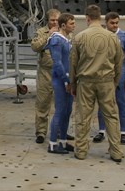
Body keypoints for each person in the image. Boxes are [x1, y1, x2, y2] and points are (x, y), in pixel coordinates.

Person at [69, 5, 124, 162]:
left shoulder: (79, 37)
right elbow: (119, 62)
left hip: (85, 83)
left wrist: (73, 84)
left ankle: (80, 151)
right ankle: (116, 152)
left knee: (83, 117)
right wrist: (114, 81)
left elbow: (73, 63)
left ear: (87, 18)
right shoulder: (112, 37)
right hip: (106, 82)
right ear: (100, 18)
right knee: (111, 117)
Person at [93, 12, 125, 145]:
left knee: (121, 103)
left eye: (117, 23)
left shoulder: (124, 36)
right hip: (104, 75)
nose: (115, 25)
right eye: (112, 23)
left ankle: (123, 133)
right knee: (103, 104)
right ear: (106, 23)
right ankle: (101, 131)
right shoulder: (101, 35)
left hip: (120, 75)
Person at [46, 13, 75, 154]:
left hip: (68, 80)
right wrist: (65, 81)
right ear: (63, 25)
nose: (74, 25)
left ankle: (63, 141)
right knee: (60, 111)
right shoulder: (56, 40)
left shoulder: (66, 39)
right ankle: (52, 143)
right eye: (71, 23)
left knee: (67, 111)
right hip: (60, 80)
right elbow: (57, 63)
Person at [30, 8, 60, 144]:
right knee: (42, 103)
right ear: (48, 20)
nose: (55, 23)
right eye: (52, 20)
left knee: (62, 105)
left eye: (57, 20)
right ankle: (41, 132)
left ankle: (61, 130)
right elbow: (35, 46)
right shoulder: (41, 32)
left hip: (61, 72)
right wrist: (49, 35)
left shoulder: (64, 32)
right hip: (46, 72)